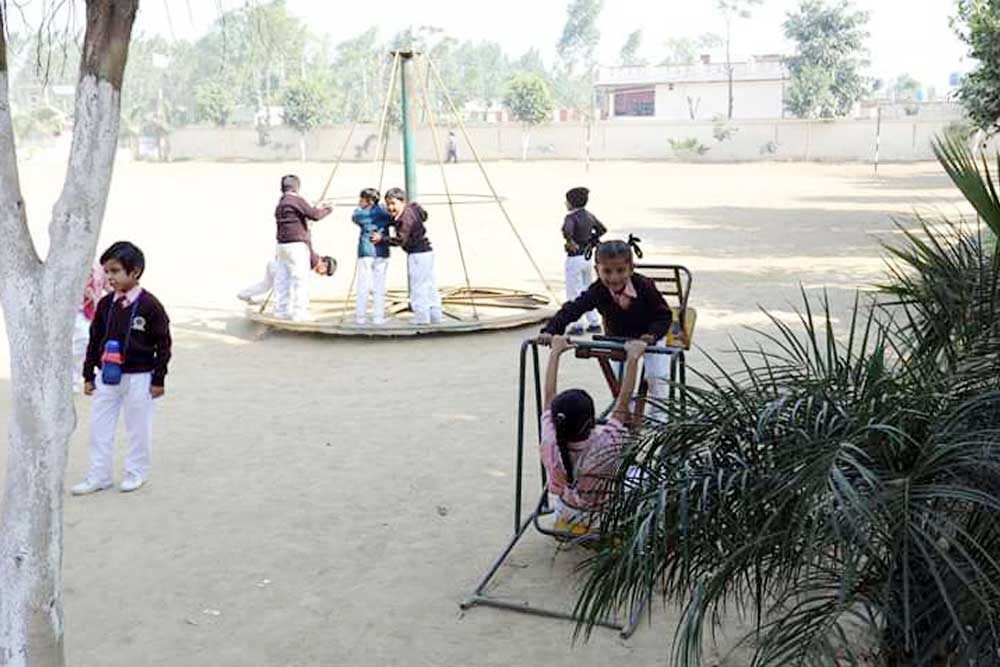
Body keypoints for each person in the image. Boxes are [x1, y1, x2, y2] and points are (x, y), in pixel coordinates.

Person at [72, 241, 172, 495]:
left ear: (135, 272)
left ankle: (136, 471)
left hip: (140, 377)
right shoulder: (105, 305)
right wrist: (88, 374)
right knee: (99, 427)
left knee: (138, 427)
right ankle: (99, 475)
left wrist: (158, 379)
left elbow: (164, 344)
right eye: (106, 271)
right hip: (107, 375)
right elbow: (95, 340)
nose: (109, 277)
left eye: (115, 271)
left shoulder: (150, 306)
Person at [539, 237, 673, 412]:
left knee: (657, 376)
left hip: (650, 337)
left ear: (631, 269)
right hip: (619, 338)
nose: (614, 277)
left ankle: (660, 419)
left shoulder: (644, 286)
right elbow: (572, 309)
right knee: (623, 381)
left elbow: (664, 315)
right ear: (597, 270)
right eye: (607, 271)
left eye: (620, 270)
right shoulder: (598, 290)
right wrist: (550, 330)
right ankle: (626, 417)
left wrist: (652, 336)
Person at [540, 335, 646, 529]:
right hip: (604, 518)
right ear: (591, 423)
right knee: (642, 474)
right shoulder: (605, 444)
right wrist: (633, 358)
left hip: (567, 509)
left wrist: (555, 352)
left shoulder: (550, 438)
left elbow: (548, 398)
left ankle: (567, 522)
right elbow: (623, 404)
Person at [375, 187, 442, 325]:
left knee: (418, 286)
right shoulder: (412, 209)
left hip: (417, 253)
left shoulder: (405, 218)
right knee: (429, 284)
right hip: (427, 251)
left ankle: (421, 317)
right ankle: (435, 315)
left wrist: (382, 239)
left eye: (393, 203)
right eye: (388, 204)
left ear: (402, 202)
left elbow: (400, 240)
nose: (390, 207)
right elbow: (424, 215)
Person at [274, 174, 332, 321]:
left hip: (281, 245)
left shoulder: (281, 203)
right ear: (296, 187)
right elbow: (315, 215)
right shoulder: (296, 200)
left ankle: (281, 310)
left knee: (283, 278)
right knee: (300, 279)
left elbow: (300, 217)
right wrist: (327, 209)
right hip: (297, 245)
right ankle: (300, 313)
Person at [562, 186, 607, 335]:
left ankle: (577, 323)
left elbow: (567, 230)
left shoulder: (571, 217)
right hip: (587, 257)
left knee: (574, 290)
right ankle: (594, 321)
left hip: (574, 258)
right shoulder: (589, 216)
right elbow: (602, 229)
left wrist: (570, 240)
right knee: (588, 289)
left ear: (571, 203)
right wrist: (592, 240)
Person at [352, 188, 393, 325]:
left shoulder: (361, 214)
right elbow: (391, 218)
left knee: (363, 284)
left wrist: (360, 208)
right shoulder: (384, 213)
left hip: (365, 251)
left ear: (368, 201)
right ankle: (378, 317)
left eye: (362, 199)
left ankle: (360, 317)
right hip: (382, 251)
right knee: (379, 286)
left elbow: (355, 217)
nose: (359, 202)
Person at [237, 248, 335, 305]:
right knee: (285, 289)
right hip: (279, 267)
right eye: (324, 273)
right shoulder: (312, 261)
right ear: (324, 264)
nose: (321, 275)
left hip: (274, 264)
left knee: (265, 285)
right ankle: (279, 311)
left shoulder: (312, 258)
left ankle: (243, 294)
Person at [73, 261, 109, 393]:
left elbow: (108, 285)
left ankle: (79, 378)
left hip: (93, 312)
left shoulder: (99, 267)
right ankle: (74, 380)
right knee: (76, 346)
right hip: (72, 312)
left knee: (87, 346)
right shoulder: (68, 263)